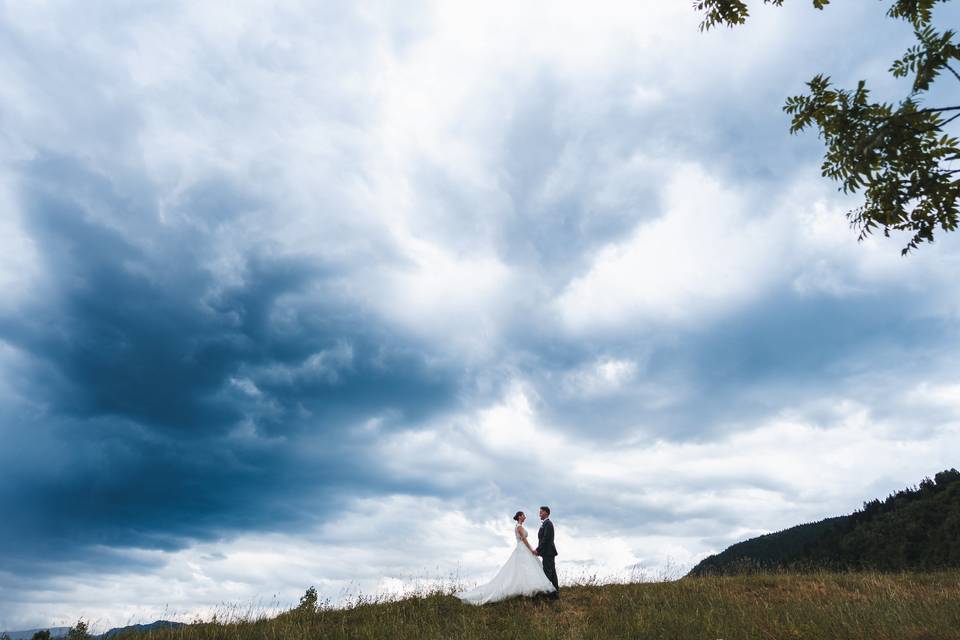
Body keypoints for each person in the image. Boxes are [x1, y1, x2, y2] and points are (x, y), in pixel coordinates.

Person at [456, 510, 557, 605]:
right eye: (523, 515)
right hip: (523, 549)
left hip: (522, 549)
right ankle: (532, 593)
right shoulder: (519, 527)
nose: (525, 517)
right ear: (519, 517)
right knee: (526, 569)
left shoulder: (519, 526)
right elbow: (524, 539)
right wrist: (531, 549)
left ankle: (531, 592)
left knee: (524, 570)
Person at [534, 505, 559, 599]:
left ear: (546, 513)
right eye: (539, 512)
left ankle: (546, 594)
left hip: (548, 552)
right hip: (547, 553)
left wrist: (538, 550)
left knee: (547, 573)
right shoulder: (544, 524)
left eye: (541, 512)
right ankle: (555, 594)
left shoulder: (548, 524)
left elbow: (546, 539)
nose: (539, 513)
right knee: (552, 573)